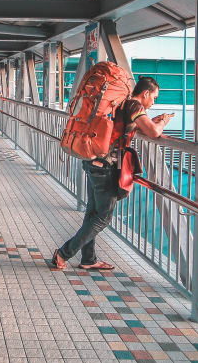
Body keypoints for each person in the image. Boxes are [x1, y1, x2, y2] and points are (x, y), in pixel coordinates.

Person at [51, 76, 174, 271]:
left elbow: (128, 127)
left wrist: (151, 122)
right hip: (105, 167)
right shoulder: (134, 106)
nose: (154, 102)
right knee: (103, 217)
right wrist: (162, 122)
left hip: (93, 161)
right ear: (146, 93)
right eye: (155, 98)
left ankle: (88, 259)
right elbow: (153, 133)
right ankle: (63, 253)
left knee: (92, 213)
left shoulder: (122, 103)